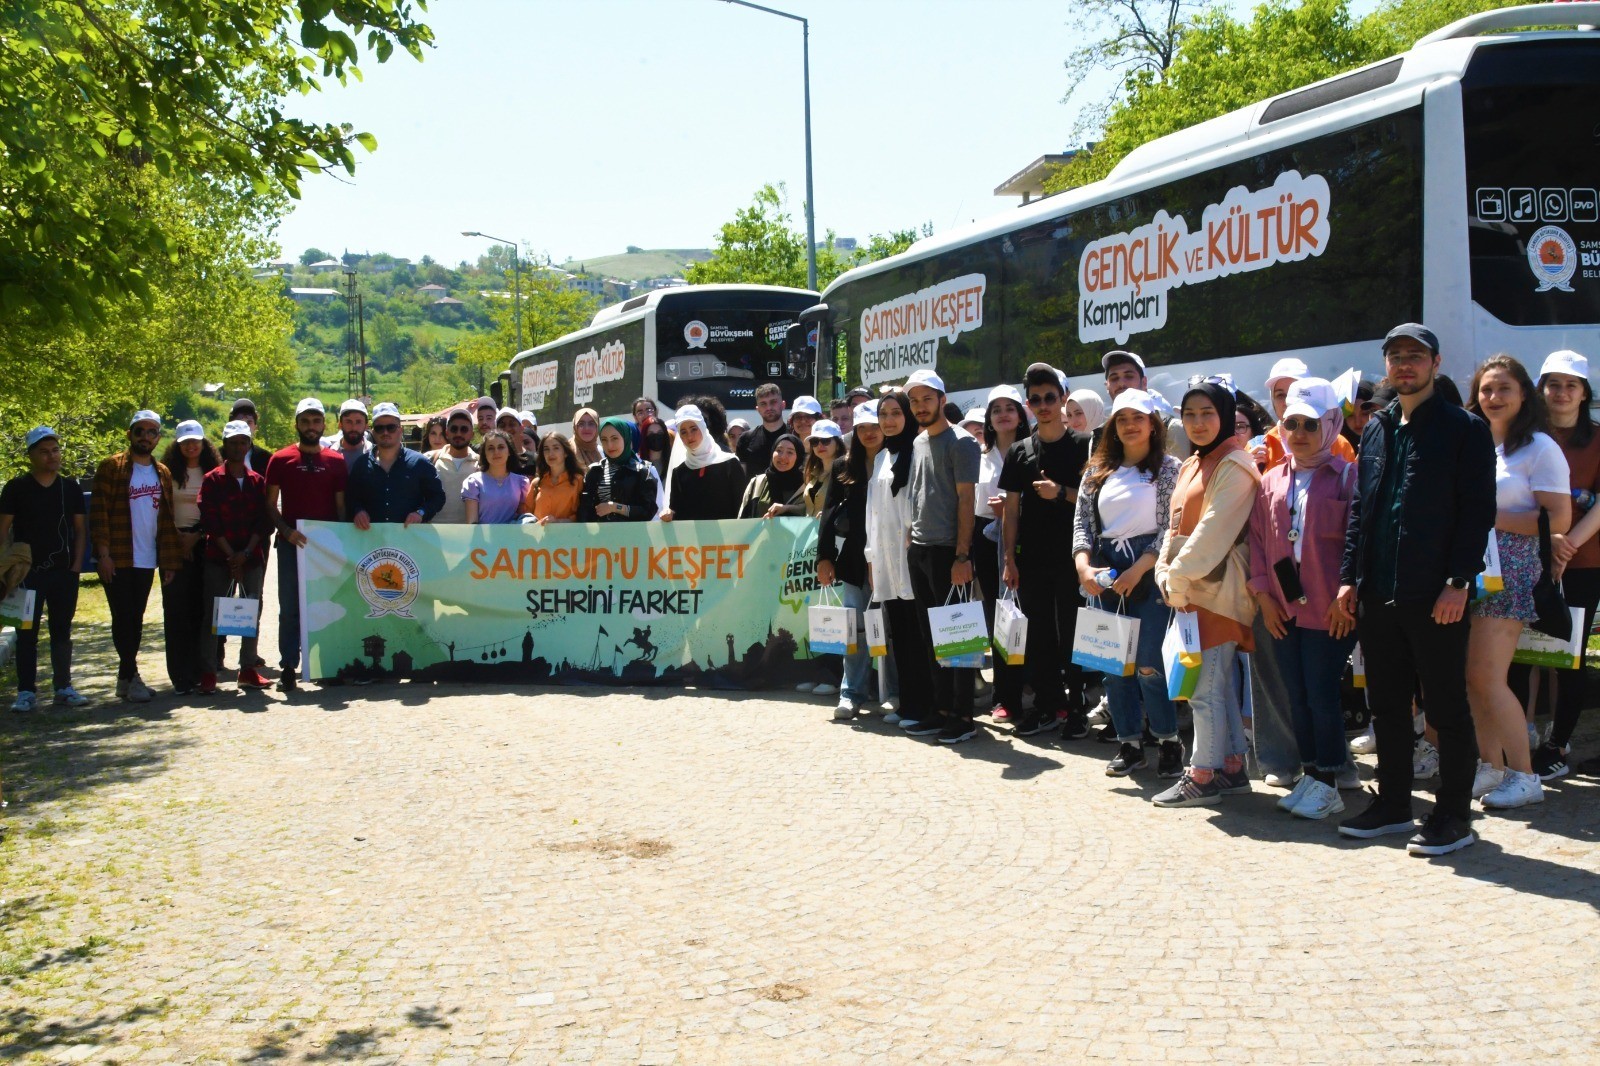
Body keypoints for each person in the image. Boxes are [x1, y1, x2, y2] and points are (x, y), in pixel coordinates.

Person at [1335, 323, 1496, 856]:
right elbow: (1362, 509)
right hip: (1377, 592)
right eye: (1396, 356)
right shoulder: (1378, 428)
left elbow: (1477, 514)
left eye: (1416, 356)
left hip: (1435, 594)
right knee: (1385, 705)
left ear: (1435, 362)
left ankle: (1453, 814)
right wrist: (1347, 579)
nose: (1405, 365)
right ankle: (1395, 804)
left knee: (1447, 707)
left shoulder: (1464, 429)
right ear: (1386, 365)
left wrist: (1458, 582)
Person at [1248, 379, 1359, 819]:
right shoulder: (1272, 479)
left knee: (1321, 693)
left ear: (1331, 424)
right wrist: (1263, 596)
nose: (1298, 433)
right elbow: (1258, 540)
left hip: (1330, 610)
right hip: (1282, 607)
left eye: (1310, 424)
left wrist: (1346, 596)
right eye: (1290, 423)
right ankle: (1312, 775)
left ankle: (1330, 779)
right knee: (1296, 694)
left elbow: (1357, 542)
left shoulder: (1349, 476)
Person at [1463, 354, 1570, 810]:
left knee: (1489, 675)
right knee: (1473, 677)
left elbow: (1557, 520)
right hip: (1470, 570)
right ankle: (1492, 766)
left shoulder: (1540, 447)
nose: (1493, 397)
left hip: (1514, 569)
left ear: (1524, 394)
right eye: (1486, 389)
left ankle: (1525, 775)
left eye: (1504, 388)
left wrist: (1486, 515)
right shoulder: (1474, 444)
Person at [1151, 381, 1261, 807]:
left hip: (1216, 590)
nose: (1197, 423)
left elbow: (1213, 534)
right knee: (1214, 684)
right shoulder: (1193, 464)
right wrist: (1166, 571)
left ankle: (1204, 774)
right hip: (1190, 589)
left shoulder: (1235, 464)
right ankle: (1232, 767)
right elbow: (1175, 527)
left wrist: (1174, 579)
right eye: (1190, 414)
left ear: (1225, 414)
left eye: (1207, 413)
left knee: (1205, 688)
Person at [1071, 389, 1184, 777]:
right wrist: (1084, 568)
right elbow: (1083, 525)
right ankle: (1129, 743)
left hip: (1150, 572)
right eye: (1122, 419)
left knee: (1149, 664)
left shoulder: (1170, 468)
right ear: (1113, 427)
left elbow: (1173, 524)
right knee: (1113, 664)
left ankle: (1168, 741)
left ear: (1153, 424)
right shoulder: (1096, 470)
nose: (1130, 425)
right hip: (1106, 571)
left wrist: (1143, 567)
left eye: (1138, 417)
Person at [1000, 364, 1093, 739]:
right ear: (1028, 404)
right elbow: (1010, 509)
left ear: (1062, 399)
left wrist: (1061, 493)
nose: (1043, 405)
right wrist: (1009, 558)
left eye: (1050, 398)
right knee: (1039, 635)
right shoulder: (1020, 451)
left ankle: (1077, 710)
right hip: (1032, 557)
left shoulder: (1084, 444)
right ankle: (1046, 706)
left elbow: (1093, 501)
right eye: (1035, 399)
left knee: (1073, 634)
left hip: (1074, 557)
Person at [902, 368, 984, 745]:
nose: (920, 406)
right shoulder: (919, 442)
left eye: (926, 398)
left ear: (942, 398)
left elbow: (966, 500)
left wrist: (962, 555)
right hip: (919, 549)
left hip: (950, 551)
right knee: (930, 637)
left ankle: (964, 715)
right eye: (914, 400)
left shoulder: (962, 442)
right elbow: (919, 494)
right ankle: (941, 710)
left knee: (959, 635)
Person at [1535, 349, 1600, 780]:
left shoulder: (1598, 438)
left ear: (1583, 394)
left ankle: (1558, 742)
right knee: (1525, 654)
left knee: (1568, 655)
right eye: (1553, 384)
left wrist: (1567, 545)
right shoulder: (1527, 435)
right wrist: (1547, 542)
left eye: (1570, 385)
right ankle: (1524, 734)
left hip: (1583, 560)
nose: (1561, 393)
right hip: (1528, 558)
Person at [90, 410, 183, 702]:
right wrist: (103, 554)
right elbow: (99, 514)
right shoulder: (112, 467)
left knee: (136, 617)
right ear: (130, 434)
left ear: (158, 437)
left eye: (152, 431)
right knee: (123, 617)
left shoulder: (163, 472)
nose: (145, 436)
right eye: (140, 431)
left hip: (146, 557)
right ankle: (133, 676)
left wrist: (168, 561)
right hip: (117, 555)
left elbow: (166, 521)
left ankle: (124, 679)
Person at [1, 427, 88, 711]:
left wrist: (76, 566)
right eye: (44, 451)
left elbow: (79, 529)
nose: (52, 456)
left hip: (63, 572)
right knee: (26, 632)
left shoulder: (70, 488)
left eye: (55, 450)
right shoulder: (16, 488)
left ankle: (63, 687)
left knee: (61, 631)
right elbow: (2, 530)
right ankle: (26, 691)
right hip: (26, 575)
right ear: (31, 456)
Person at [264, 398, 348, 692]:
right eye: (305, 421)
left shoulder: (336, 462)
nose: (311, 427)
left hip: (326, 547)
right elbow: (270, 503)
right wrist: (285, 531)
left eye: (316, 421)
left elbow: (340, 508)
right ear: (297, 424)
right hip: (291, 544)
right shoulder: (280, 459)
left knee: (328, 602)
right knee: (290, 607)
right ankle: (288, 665)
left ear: (324, 424)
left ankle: (328, 662)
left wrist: (340, 544)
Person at [197, 421, 273, 694]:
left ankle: (248, 669)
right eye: (233, 442)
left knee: (251, 611)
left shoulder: (257, 481)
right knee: (213, 613)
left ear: (249, 445)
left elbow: (264, 521)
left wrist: (246, 553)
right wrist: (232, 556)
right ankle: (208, 672)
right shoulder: (212, 480)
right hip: (220, 557)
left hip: (251, 556)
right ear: (225, 445)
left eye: (243, 442)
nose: (238, 447)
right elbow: (209, 520)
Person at [819, 400, 882, 719]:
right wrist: (824, 557)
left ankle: (893, 691)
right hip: (855, 563)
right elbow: (828, 514)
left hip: (893, 562)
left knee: (892, 629)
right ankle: (851, 692)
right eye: (863, 428)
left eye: (875, 426)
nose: (870, 433)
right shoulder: (844, 465)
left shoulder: (898, 460)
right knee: (855, 629)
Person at [975, 385, 1029, 721]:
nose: (1003, 414)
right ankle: (1004, 696)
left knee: (1027, 616)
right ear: (989, 419)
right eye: (997, 409)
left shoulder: (1031, 451)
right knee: (998, 618)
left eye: (1010, 408)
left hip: (1025, 539)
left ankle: (1030, 687)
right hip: (985, 541)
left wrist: (1011, 511)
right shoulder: (979, 457)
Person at [864, 392, 918, 719]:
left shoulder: (919, 450)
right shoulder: (882, 458)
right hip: (887, 558)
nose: (888, 420)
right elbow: (873, 512)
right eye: (883, 414)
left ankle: (923, 703)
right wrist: (871, 557)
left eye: (896, 412)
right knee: (900, 634)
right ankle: (908, 702)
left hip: (912, 556)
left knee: (918, 633)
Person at [160, 420, 220, 694]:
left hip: (205, 542)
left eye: (196, 440)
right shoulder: (166, 473)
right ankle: (180, 675)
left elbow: (216, 511)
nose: (191, 446)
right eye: (185, 442)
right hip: (173, 544)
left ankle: (201, 669)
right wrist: (178, 540)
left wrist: (196, 535)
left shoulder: (213, 472)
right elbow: (160, 511)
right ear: (177, 444)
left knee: (201, 608)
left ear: (204, 442)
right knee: (176, 611)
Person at [348, 403, 446, 529]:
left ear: (400, 430)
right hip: (370, 541)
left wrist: (421, 513)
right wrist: (358, 511)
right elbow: (350, 498)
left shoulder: (420, 463)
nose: (385, 432)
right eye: (379, 428)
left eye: (391, 427)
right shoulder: (361, 465)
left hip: (410, 539)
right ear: (373, 432)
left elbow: (437, 497)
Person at [1257, 359, 1358, 470]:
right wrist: (1250, 473)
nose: (1287, 401)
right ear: (1272, 400)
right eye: (1280, 395)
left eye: (1295, 393)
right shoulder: (1260, 446)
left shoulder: (1340, 444)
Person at [660, 405, 746, 521]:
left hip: (729, 537)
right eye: (683, 432)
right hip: (692, 538)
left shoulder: (730, 463)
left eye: (694, 429)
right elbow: (678, 513)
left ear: (702, 427)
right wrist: (669, 514)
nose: (689, 436)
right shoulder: (679, 472)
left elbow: (742, 509)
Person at [578, 417, 660, 522]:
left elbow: (648, 511)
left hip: (632, 536)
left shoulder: (642, 471)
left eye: (614, 438)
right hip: (601, 536)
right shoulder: (595, 471)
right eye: (604, 440)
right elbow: (585, 510)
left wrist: (615, 507)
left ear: (626, 438)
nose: (609, 445)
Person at [463, 430, 532, 524]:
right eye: (491, 448)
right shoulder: (474, 482)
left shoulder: (521, 482)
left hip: (513, 537)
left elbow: (523, 519)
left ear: (509, 452)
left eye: (501, 447)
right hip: (482, 538)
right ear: (485, 453)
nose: (496, 452)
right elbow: (472, 523)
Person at [426, 407, 479, 523]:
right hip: (433, 537)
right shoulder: (429, 460)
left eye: (464, 429)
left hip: (470, 537)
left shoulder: (482, 464)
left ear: (472, 434)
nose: (458, 433)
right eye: (454, 429)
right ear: (447, 433)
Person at [737, 434, 806, 518]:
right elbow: (743, 516)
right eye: (779, 450)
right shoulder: (757, 483)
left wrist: (787, 508)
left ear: (798, 457)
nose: (783, 457)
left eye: (790, 452)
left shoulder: (806, 486)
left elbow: (811, 513)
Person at [525, 432, 584, 524]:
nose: (550, 453)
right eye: (546, 449)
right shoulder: (536, 483)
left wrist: (558, 522)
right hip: (539, 537)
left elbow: (582, 517)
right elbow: (526, 514)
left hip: (567, 536)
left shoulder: (578, 481)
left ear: (566, 453)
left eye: (556, 448)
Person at [735, 383, 789, 480]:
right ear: (758, 409)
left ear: (783, 405)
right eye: (763, 404)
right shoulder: (745, 439)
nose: (768, 408)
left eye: (773, 402)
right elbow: (741, 479)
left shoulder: (794, 436)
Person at [802, 421, 844, 517]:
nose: (820, 446)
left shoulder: (846, 473)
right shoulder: (812, 473)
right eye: (814, 442)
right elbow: (809, 507)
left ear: (838, 444)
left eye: (825, 440)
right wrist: (786, 508)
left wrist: (832, 513)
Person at [228, 398, 274, 473]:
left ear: (255, 427)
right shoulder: (217, 457)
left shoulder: (266, 459)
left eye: (249, 422)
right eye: (239, 421)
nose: (244, 426)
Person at [324, 399, 372, 470]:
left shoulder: (373, 453)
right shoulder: (329, 455)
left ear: (366, 425)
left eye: (358, 422)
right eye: (348, 422)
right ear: (340, 425)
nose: (354, 428)